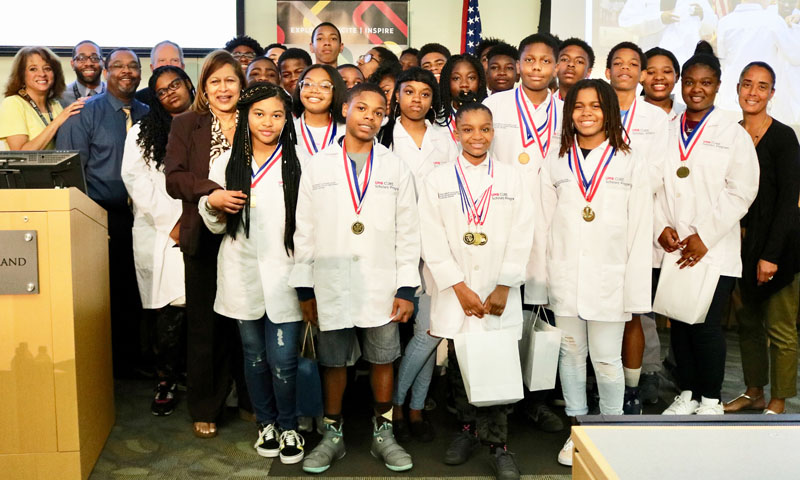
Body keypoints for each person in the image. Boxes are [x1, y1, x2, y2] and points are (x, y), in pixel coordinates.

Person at [290, 83, 420, 474]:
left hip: (381, 283)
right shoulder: (319, 165)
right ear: (345, 109)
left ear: (384, 119)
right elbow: (304, 231)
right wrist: (304, 287)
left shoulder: (395, 167)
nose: (369, 116)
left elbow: (408, 231)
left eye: (378, 112)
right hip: (331, 283)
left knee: (383, 359)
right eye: (361, 108)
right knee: (334, 362)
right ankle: (333, 435)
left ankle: (384, 435)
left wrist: (406, 287)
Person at [530, 78, 652, 467]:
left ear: (610, 112)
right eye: (579, 105)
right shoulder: (556, 159)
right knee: (570, 355)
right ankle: (578, 431)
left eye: (596, 106)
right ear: (569, 113)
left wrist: (634, 291)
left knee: (605, 359)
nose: (586, 112)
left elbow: (640, 228)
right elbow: (543, 224)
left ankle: (610, 433)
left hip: (610, 281)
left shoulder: (630, 160)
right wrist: (541, 278)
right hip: (565, 276)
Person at [418, 102, 533, 480]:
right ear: (456, 132)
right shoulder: (437, 180)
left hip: (498, 290)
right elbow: (431, 239)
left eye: (485, 129)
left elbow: (522, 234)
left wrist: (504, 284)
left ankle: (498, 445)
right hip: (458, 290)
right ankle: (467, 430)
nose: (477, 136)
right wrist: (458, 287)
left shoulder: (512, 178)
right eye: (468, 130)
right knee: (459, 362)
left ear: (493, 133)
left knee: (497, 362)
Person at [198, 82, 306, 463]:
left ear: (286, 120)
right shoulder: (225, 162)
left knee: (284, 360)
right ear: (245, 117)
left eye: (277, 115)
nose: (268, 122)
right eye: (259, 114)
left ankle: (290, 425)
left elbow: (309, 227)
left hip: (286, 275)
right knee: (254, 356)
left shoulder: (299, 162)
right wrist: (212, 203)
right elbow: (214, 227)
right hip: (241, 273)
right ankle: (267, 423)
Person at [656, 47, 759, 416]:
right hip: (676, 245)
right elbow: (655, 185)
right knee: (680, 324)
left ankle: (711, 399)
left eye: (706, 83)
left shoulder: (733, 133)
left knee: (707, 326)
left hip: (714, 248)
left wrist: (705, 236)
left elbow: (742, 191)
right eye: (690, 82)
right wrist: (662, 226)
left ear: (718, 87)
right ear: (682, 85)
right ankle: (687, 393)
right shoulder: (666, 130)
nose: (696, 89)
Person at [163, 50, 250, 438]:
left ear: (241, 84)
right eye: (214, 81)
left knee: (249, 321)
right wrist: (211, 192)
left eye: (230, 80)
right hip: (204, 233)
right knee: (206, 326)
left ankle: (251, 399)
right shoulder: (187, 123)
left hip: (252, 236)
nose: (223, 88)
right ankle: (206, 405)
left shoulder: (257, 119)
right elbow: (174, 179)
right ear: (204, 88)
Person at [484, 38, 566, 432]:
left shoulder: (567, 111)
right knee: (501, 316)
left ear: (556, 66)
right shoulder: (495, 107)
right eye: (529, 60)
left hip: (551, 223)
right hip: (499, 220)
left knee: (545, 318)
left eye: (545, 60)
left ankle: (537, 400)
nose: (536, 67)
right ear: (517, 65)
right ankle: (497, 403)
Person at [56, 48, 148, 378]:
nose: (127, 71)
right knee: (104, 297)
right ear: (106, 71)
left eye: (133, 66)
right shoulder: (84, 113)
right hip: (100, 218)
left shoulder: (147, 114)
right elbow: (70, 172)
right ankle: (106, 369)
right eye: (118, 66)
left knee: (137, 293)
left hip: (144, 218)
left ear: (141, 72)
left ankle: (133, 364)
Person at [378, 67, 456, 443]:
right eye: (409, 92)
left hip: (438, 245)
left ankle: (412, 407)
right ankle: (397, 408)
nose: (416, 100)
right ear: (397, 96)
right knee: (403, 334)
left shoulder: (445, 137)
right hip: (393, 245)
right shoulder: (383, 136)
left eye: (425, 94)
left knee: (430, 331)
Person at [724, 62, 800, 415]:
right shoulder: (730, 132)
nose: (753, 93)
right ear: (737, 88)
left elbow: (788, 202)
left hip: (780, 247)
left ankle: (779, 400)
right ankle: (754, 391)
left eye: (762, 86)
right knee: (749, 324)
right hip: (738, 247)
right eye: (747, 85)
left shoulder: (784, 136)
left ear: (772, 93)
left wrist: (770, 255)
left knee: (781, 329)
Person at [120, 65, 195, 416]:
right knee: (168, 312)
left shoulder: (209, 123)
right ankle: (166, 379)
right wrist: (172, 223)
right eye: (162, 91)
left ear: (189, 85)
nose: (170, 93)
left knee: (203, 310)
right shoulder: (142, 131)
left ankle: (201, 380)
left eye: (175, 85)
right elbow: (136, 181)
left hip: (205, 224)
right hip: (160, 231)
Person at [604, 41, 670, 415]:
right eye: (618, 63)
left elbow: (658, 171)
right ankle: (602, 384)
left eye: (633, 64)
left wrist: (623, 194)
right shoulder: (593, 107)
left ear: (642, 74)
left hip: (637, 224)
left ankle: (631, 387)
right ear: (608, 71)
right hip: (595, 224)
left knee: (633, 312)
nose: (625, 69)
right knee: (596, 314)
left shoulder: (655, 119)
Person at [715, 0, 800, 113]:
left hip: (730, 99)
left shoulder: (724, 22)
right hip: (759, 101)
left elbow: (722, 61)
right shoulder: (773, 21)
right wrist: (796, 28)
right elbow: (795, 57)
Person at [1, 46, 84, 150]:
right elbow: (20, 154)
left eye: (47, 68)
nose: (42, 74)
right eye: (33, 69)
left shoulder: (55, 104)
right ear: (21, 75)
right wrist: (57, 121)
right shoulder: (13, 103)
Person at [618, 0, 717, 66]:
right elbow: (626, 21)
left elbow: (713, 25)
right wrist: (659, 19)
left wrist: (702, 15)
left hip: (685, 60)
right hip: (652, 57)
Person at [291, 64, 346, 162]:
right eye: (307, 84)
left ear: (335, 91)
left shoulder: (346, 131)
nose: (314, 90)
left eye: (324, 86)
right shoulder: (288, 130)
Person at [439, 54, 487, 147]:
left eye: (471, 78)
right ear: (447, 82)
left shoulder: (490, 113)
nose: (464, 84)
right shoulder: (437, 120)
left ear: (480, 82)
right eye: (456, 78)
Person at [135, 40, 185, 106]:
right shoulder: (138, 100)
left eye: (174, 60)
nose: (168, 65)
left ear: (182, 67)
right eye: (162, 60)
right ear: (152, 68)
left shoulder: (195, 99)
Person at [642, 47, 685, 122]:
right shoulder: (627, 113)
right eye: (651, 72)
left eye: (667, 71)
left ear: (677, 76)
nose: (659, 77)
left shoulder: (686, 113)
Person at [59, 40, 105, 107]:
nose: (88, 63)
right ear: (72, 64)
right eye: (81, 58)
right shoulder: (61, 97)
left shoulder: (115, 94)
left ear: (103, 63)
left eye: (95, 58)